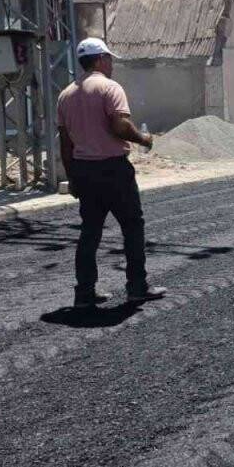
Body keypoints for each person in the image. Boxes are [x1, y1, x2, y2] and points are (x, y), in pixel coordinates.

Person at [57, 38, 166, 309]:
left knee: (90, 232)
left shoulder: (66, 95)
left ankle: (84, 293)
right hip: (114, 170)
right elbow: (119, 126)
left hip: (84, 171)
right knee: (132, 227)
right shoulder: (109, 87)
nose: (112, 63)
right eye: (109, 58)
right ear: (100, 60)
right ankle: (137, 288)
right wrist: (143, 138)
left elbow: (65, 144)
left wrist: (72, 178)